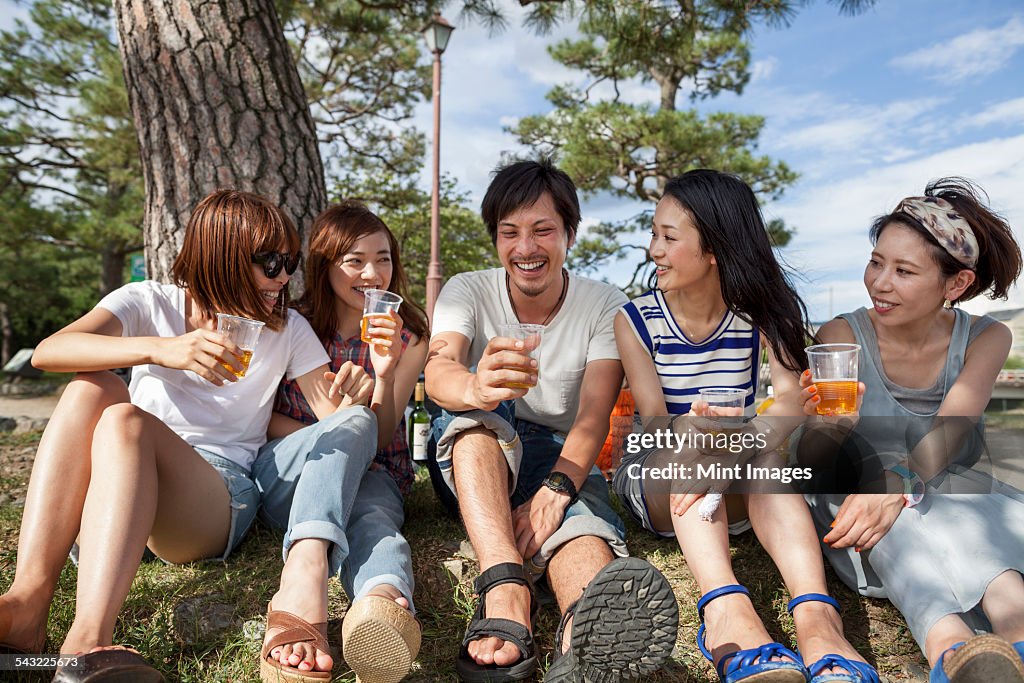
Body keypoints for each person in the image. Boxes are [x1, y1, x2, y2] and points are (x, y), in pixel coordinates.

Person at [0, 189, 377, 682]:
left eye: (290, 261)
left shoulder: (286, 328)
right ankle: (27, 605)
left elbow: (336, 416)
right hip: (120, 485)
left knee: (123, 419)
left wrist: (363, 388)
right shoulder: (148, 302)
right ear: (220, 256)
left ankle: (86, 640)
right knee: (95, 387)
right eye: (270, 261)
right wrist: (161, 349)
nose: (284, 275)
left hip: (213, 497)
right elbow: (50, 351)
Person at [612, 169, 878, 683]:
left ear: (713, 250)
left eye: (668, 237)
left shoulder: (759, 312)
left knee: (765, 451)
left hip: (738, 475)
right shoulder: (636, 319)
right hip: (661, 474)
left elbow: (791, 401)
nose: (653, 250)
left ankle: (816, 618)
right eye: (654, 234)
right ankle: (725, 611)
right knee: (706, 442)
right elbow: (655, 421)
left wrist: (744, 435)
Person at [424, 158, 678, 682]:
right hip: (482, 454)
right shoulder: (467, 290)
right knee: (474, 425)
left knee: (580, 528)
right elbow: (439, 368)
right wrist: (475, 385)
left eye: (543, 230)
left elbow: (594, 414)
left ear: (569, 234)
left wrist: (559, 489)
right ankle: (505, 589)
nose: (526, 248)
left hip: (564, 453)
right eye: (509, 232)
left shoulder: (604, 303)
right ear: (495, 239)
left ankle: (583, 643)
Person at [796, 178, 1024, 683]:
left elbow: (955, 426)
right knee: (900, 526)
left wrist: (897, 482)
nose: (879, 282)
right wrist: (830, 428)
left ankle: (1016, 635)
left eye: (903, 271)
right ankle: (956, 654)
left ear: (956, 284)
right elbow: (816, 457)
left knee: (962, 520)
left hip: (950, 487)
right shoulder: (840, 336)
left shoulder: (986, 336)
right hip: (859, 497)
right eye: (876, 262)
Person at [261, 200, 428, 683]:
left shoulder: (409, 334)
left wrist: (386, 371)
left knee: (373, 508)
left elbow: (382, 433)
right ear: (324, 264)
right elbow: (261, 419)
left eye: (384, 258)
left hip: (376, 472)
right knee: (351, 425)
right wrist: (331, 433)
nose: (373, 273)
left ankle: (381, 599)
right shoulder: (289, 323)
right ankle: (304, 570)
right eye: (355, 260)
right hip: (288, 472)